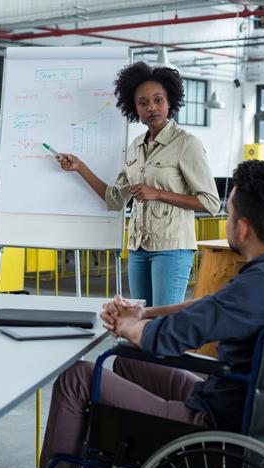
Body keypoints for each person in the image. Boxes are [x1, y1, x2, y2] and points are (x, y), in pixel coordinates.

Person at [35, 161, 264, 468]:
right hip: (252, 414)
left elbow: (162, 339)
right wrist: (145, 313)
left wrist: (127, 325)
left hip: (212, 431)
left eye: (229, 216)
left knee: (78, 377)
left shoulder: (257, 287)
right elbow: (214, 305)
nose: (228, 223)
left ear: (243, 228)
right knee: (127, 362)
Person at [56, 63, 220, 307]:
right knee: (140, 320)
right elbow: (114, 199)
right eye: (143, 103)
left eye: (157, 100)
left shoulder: (187, 144)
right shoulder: (135, 146)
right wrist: (80, 167)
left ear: (169, 102)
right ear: (135, 108)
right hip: (137, 248)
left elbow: (211, 203)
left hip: (172, 248)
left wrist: (158, 194)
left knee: (163, 322)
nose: (151, 107)